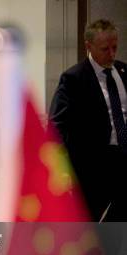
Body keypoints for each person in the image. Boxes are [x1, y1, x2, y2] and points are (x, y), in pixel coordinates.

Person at [50, 19, 127, 221]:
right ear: (89, 46)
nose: (111, 54)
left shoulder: (124, 72)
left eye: (114, 47)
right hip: (92, 166)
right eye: (104, 49)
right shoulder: (74, 78)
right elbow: (57, 125)